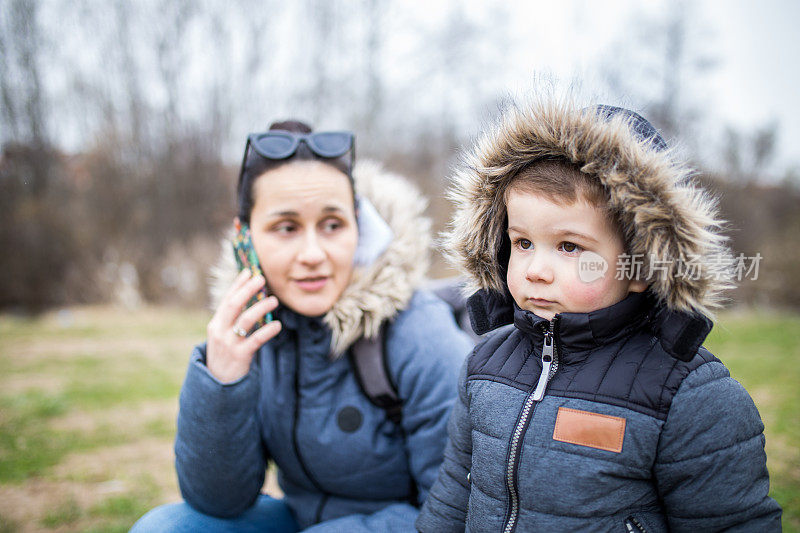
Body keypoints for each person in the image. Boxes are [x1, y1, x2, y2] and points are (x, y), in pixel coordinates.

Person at [415, 97, 783, 531]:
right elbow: (454, 494)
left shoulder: (688, 397)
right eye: (523, 243)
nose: (535, 271)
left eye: (569, 247)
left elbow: (731, 523)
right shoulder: (485, 363)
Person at [131, 120, 473, 532]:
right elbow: (218, 501)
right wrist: (222, 382)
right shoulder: (252, 334)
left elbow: (458, 512)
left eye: (332, 224)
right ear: (245, 240)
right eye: (286, 227)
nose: (312, 254)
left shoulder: (419, 333)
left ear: (359, 228)